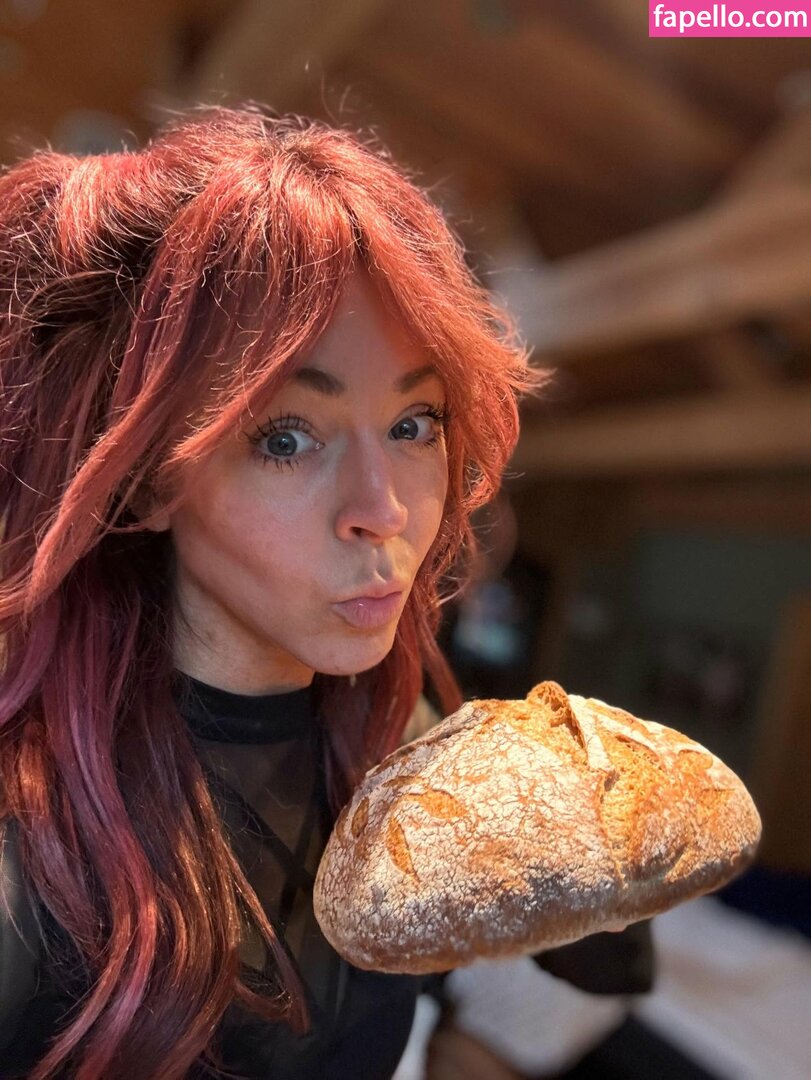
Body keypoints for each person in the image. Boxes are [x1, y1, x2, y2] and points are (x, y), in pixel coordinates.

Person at [0, 102, 548, 1078]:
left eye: (414, 424)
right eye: (286, 437)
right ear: (150, 481)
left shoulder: (403, 742)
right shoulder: (31, 853)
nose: (383, 509)